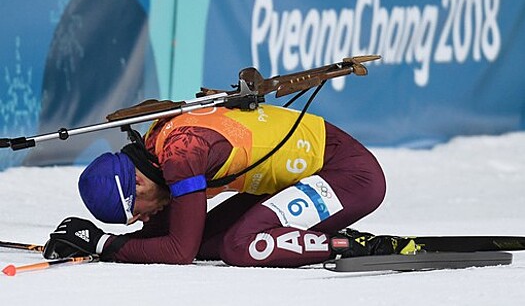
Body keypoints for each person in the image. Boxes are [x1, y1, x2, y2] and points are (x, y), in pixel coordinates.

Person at [43, 103, 417, 267]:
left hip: (348, 175)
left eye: (136, 214)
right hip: (302, 176)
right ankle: (320, 232)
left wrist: (103, 243)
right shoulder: (158, 146)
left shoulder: (181, 156)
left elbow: (178, 250)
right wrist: (91, 241)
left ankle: (350, 245)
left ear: (138, 184)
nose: (145, 219)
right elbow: (170, 236)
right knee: (211, 242)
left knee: (240, 247)